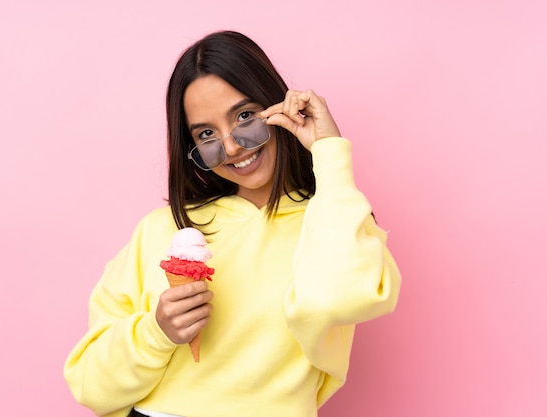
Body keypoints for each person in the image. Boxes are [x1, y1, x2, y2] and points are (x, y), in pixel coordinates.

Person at [64, 30, 401, 417]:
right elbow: (90, 384)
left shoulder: (336, 221)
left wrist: (329, 152)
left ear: (276, 106)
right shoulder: (161, 229)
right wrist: (157, 332)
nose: (232, 146)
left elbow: (339, 298)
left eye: (245, 116)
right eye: (206, 134)